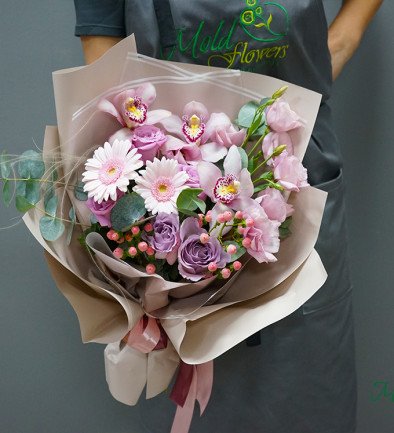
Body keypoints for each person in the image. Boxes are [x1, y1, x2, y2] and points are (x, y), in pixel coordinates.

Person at [73, 1, 383, 432]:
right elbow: (103, 63)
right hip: (169, 203)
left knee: (308, 397)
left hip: (299, 177)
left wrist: (334, 50)